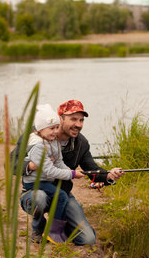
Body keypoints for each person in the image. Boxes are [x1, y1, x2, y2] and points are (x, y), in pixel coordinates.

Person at [19, 99, 124, 246]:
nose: (79, 124)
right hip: (36, 190)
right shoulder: (36, 134)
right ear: (60, 118)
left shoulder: (81, 143)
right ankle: (39, 227)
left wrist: (109, 175)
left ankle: (58, 230)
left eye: (81, 120)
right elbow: (11, 163)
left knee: (88, 240)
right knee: (40, 198)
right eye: (73, 119)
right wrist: (30, 165)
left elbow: (91, 169)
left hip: (63, 193)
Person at [22, 104, 85, 244]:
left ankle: (55, 230)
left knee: (61, 196)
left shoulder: (53, 141)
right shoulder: (38, 146)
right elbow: (50, 170)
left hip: (46, 181)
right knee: (60, 196)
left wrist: (69, 170)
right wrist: (72, 175)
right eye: (51, 128)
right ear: (39, 129)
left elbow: (59, 162)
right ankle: (49, 231)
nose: (55, 132)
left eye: (57, 127)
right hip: (34, 183)